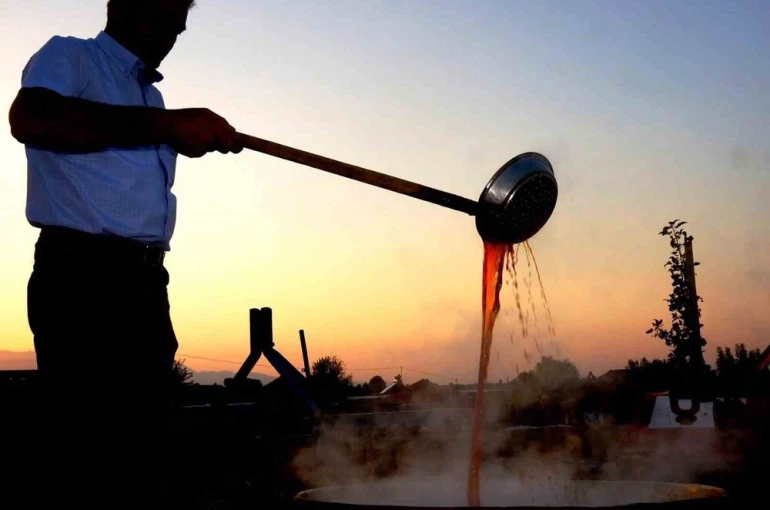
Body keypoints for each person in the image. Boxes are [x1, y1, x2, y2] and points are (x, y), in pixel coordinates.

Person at [7, 1, 242, 508]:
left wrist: (176, 128)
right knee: (87, 453)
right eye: (165, 13)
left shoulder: (151, 97)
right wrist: (168, 127)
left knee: (143, 449)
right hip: (82, 280)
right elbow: (33, 118)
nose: (174, 31)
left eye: (180, 22)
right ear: (123, 6)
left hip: (143, 284)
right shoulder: (71, 56)